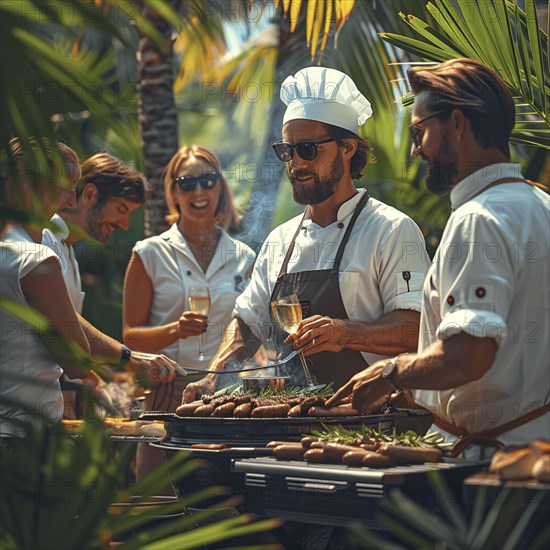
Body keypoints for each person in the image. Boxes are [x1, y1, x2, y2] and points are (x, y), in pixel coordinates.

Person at [327, 58, 550, 457]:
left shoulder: (477, 219)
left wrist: (391, 371)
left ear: (458, 124)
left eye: (420, 131)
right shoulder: (542, 206)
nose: (415, 150)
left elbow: (468, 356)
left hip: (489, 469)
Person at [182, 66, 431, 403]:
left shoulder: (391, 230)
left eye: (309, 150)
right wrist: (213, 376)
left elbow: (417, 329)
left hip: (375, 420)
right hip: (298, 416)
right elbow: (248, 324)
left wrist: (346, 333)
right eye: (287, 151)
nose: (295, 163)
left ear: (346, 147)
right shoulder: (279, 241)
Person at [122, 145, 255, 480]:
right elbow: (129, 335)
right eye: (187, 182)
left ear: (220, 189)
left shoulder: (245, 257)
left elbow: (253, 329)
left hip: (226, 402)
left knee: (222, 508)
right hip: (164, 399)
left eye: (208, 180)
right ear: (173, 191)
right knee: (161, 510)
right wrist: (175, 331)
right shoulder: (148, 253)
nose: (199, 190)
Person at [41, 152, 181, 403]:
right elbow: (65, 322)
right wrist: (129, 358)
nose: (125, 225)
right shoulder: (43, 240)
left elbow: (70, 342)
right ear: (90, 195)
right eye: (121, 209)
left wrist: (105, 383)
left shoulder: (68, 253)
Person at [1, 138, 91, 437]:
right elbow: (78, 361)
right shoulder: (36, 260)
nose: (71, 202)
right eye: (67, 188)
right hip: (25, 437)